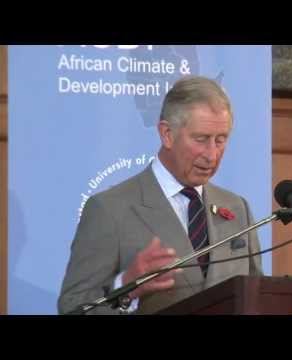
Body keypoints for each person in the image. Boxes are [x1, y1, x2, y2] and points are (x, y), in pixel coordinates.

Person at [58, 76, 263, 315]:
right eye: (201, 139)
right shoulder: (110, 209)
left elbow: (257, 298)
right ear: (166, 133)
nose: (212, 155)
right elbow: (73, 308)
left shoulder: (237, 208)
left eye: (221, 140)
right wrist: (126, 291)